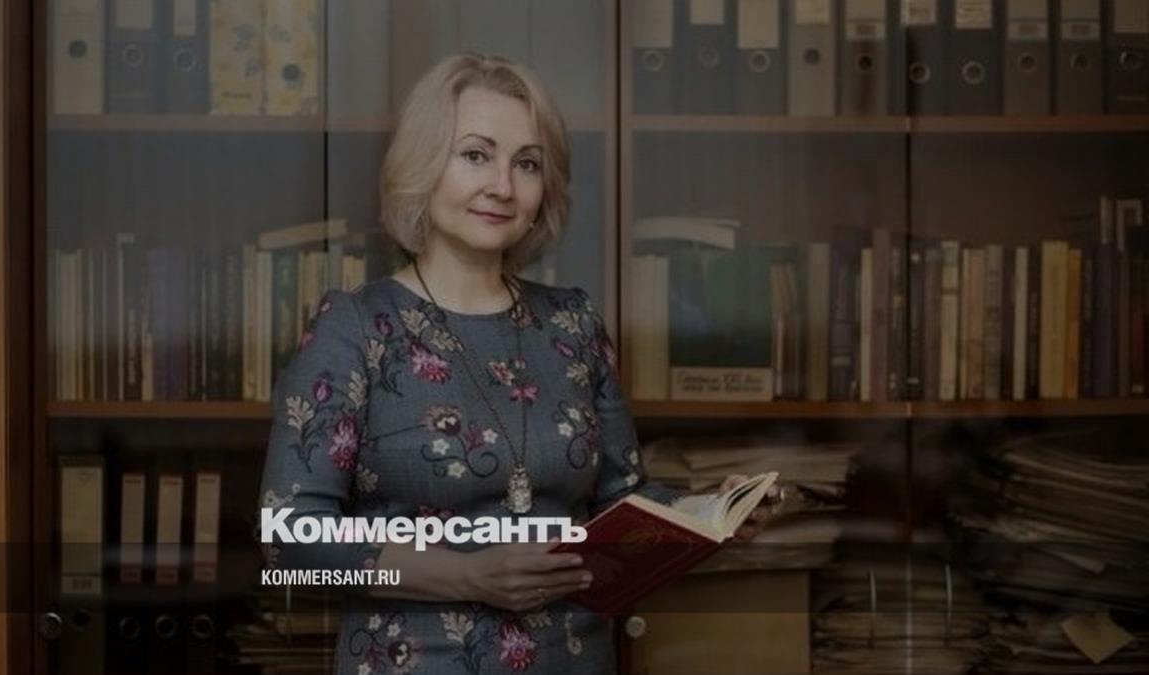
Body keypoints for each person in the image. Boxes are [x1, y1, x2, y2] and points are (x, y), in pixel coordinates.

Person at [258, 53, 781, 675]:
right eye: (475, 155)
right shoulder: (355, 326)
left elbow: (622, 501)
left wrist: (711, 513)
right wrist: (465, 575)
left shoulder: (573, 324)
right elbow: (289, 540)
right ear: (423, 163)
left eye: (526, 163)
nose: (502, 186)